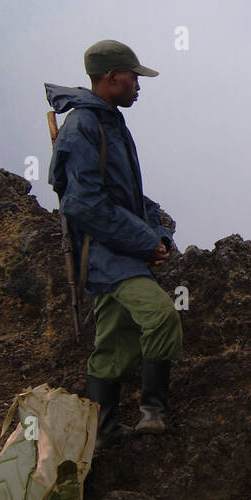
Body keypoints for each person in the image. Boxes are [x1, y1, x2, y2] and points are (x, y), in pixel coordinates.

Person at [45, 39, 182, 444]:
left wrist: (157, 231)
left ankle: (103, 432)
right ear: (111, 78)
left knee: (114, 342)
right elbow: (86, 204)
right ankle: (153, 414)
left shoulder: (107, 121)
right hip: (107, 254)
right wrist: (144, 242)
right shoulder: (84, 127)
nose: (139, 85)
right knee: (161, 317)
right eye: (133, 77)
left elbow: (126, 194)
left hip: (120, 250)